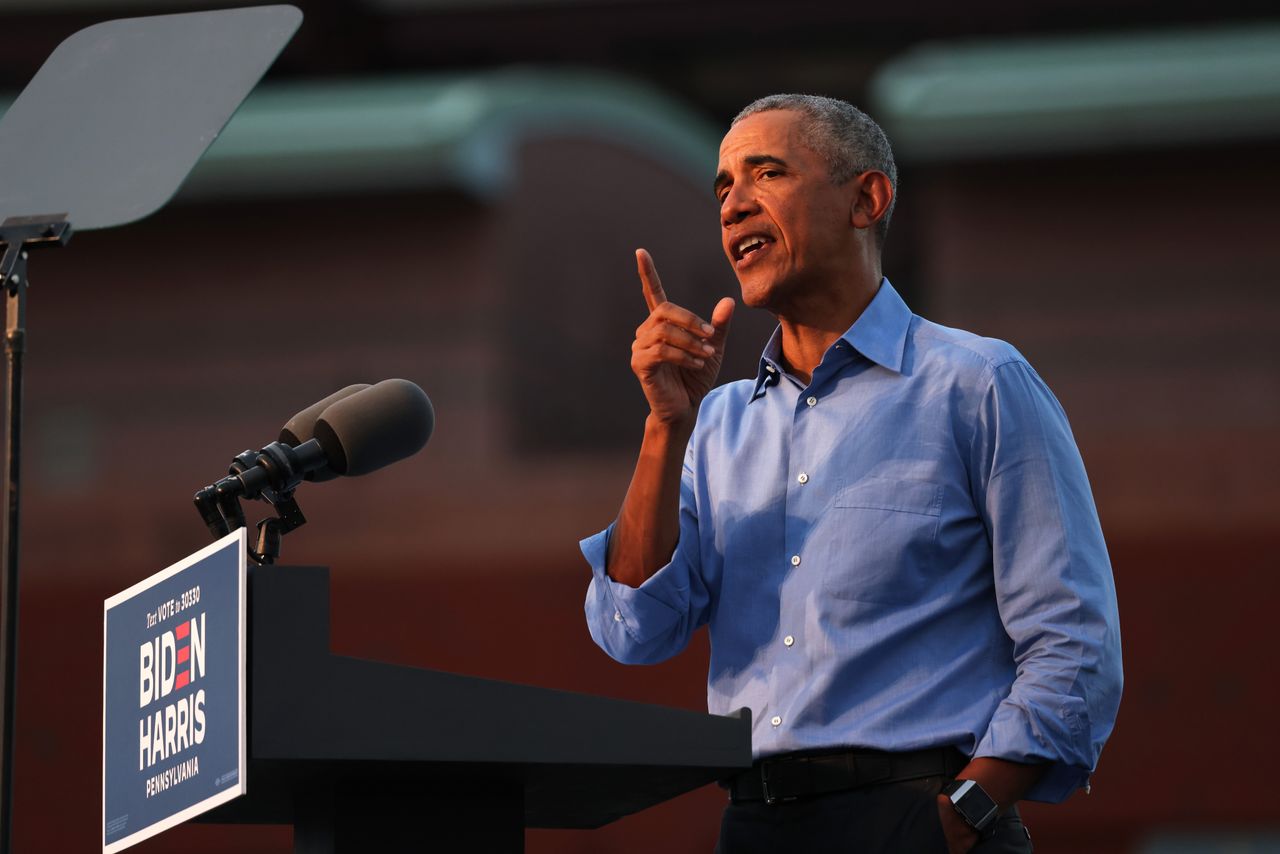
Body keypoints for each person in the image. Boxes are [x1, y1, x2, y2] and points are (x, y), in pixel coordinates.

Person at [580, 94, 1122, 854]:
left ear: (866, 199)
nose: (734, 206)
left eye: (765, 173)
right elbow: (635, 630)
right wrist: (665, 428)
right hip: (756, 823)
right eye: (723, 188)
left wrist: (964, 814)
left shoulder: (978, 383)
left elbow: (1074, 643)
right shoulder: (718, 423)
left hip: (923, 817)